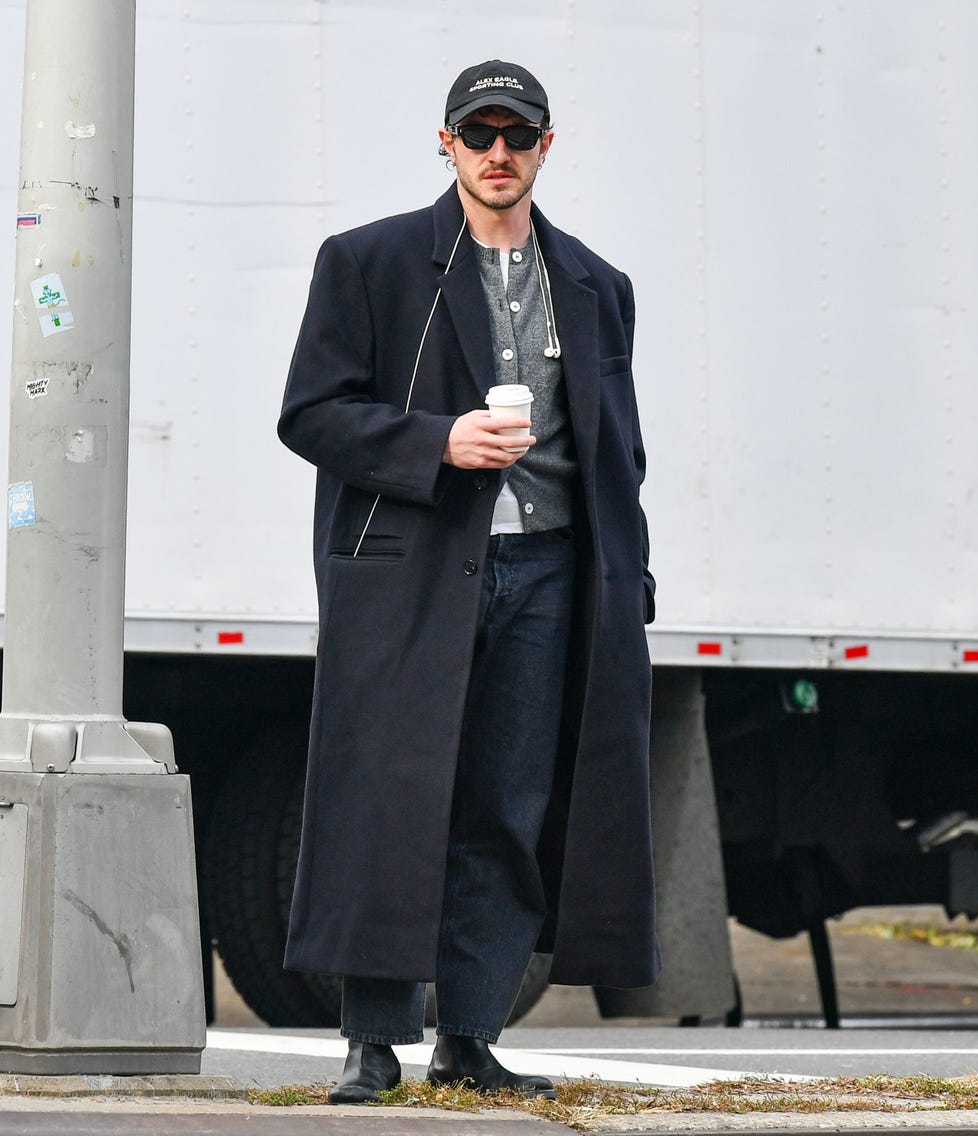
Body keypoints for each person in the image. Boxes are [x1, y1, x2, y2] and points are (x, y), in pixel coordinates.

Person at [279, 59, 660, 1105]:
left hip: (548, 571)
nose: (498, 153)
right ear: (443, 142)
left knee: (507, 803)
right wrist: (437, 441)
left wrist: (626, 580)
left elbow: (618, 452)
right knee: (386, 803)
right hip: (409, 577)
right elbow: (310, 413)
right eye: (477, 133)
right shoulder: (369, 262)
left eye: (517, 135)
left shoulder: (593, 284)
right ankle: (369, 1040)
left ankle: (472, 1034)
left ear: (545, 146)